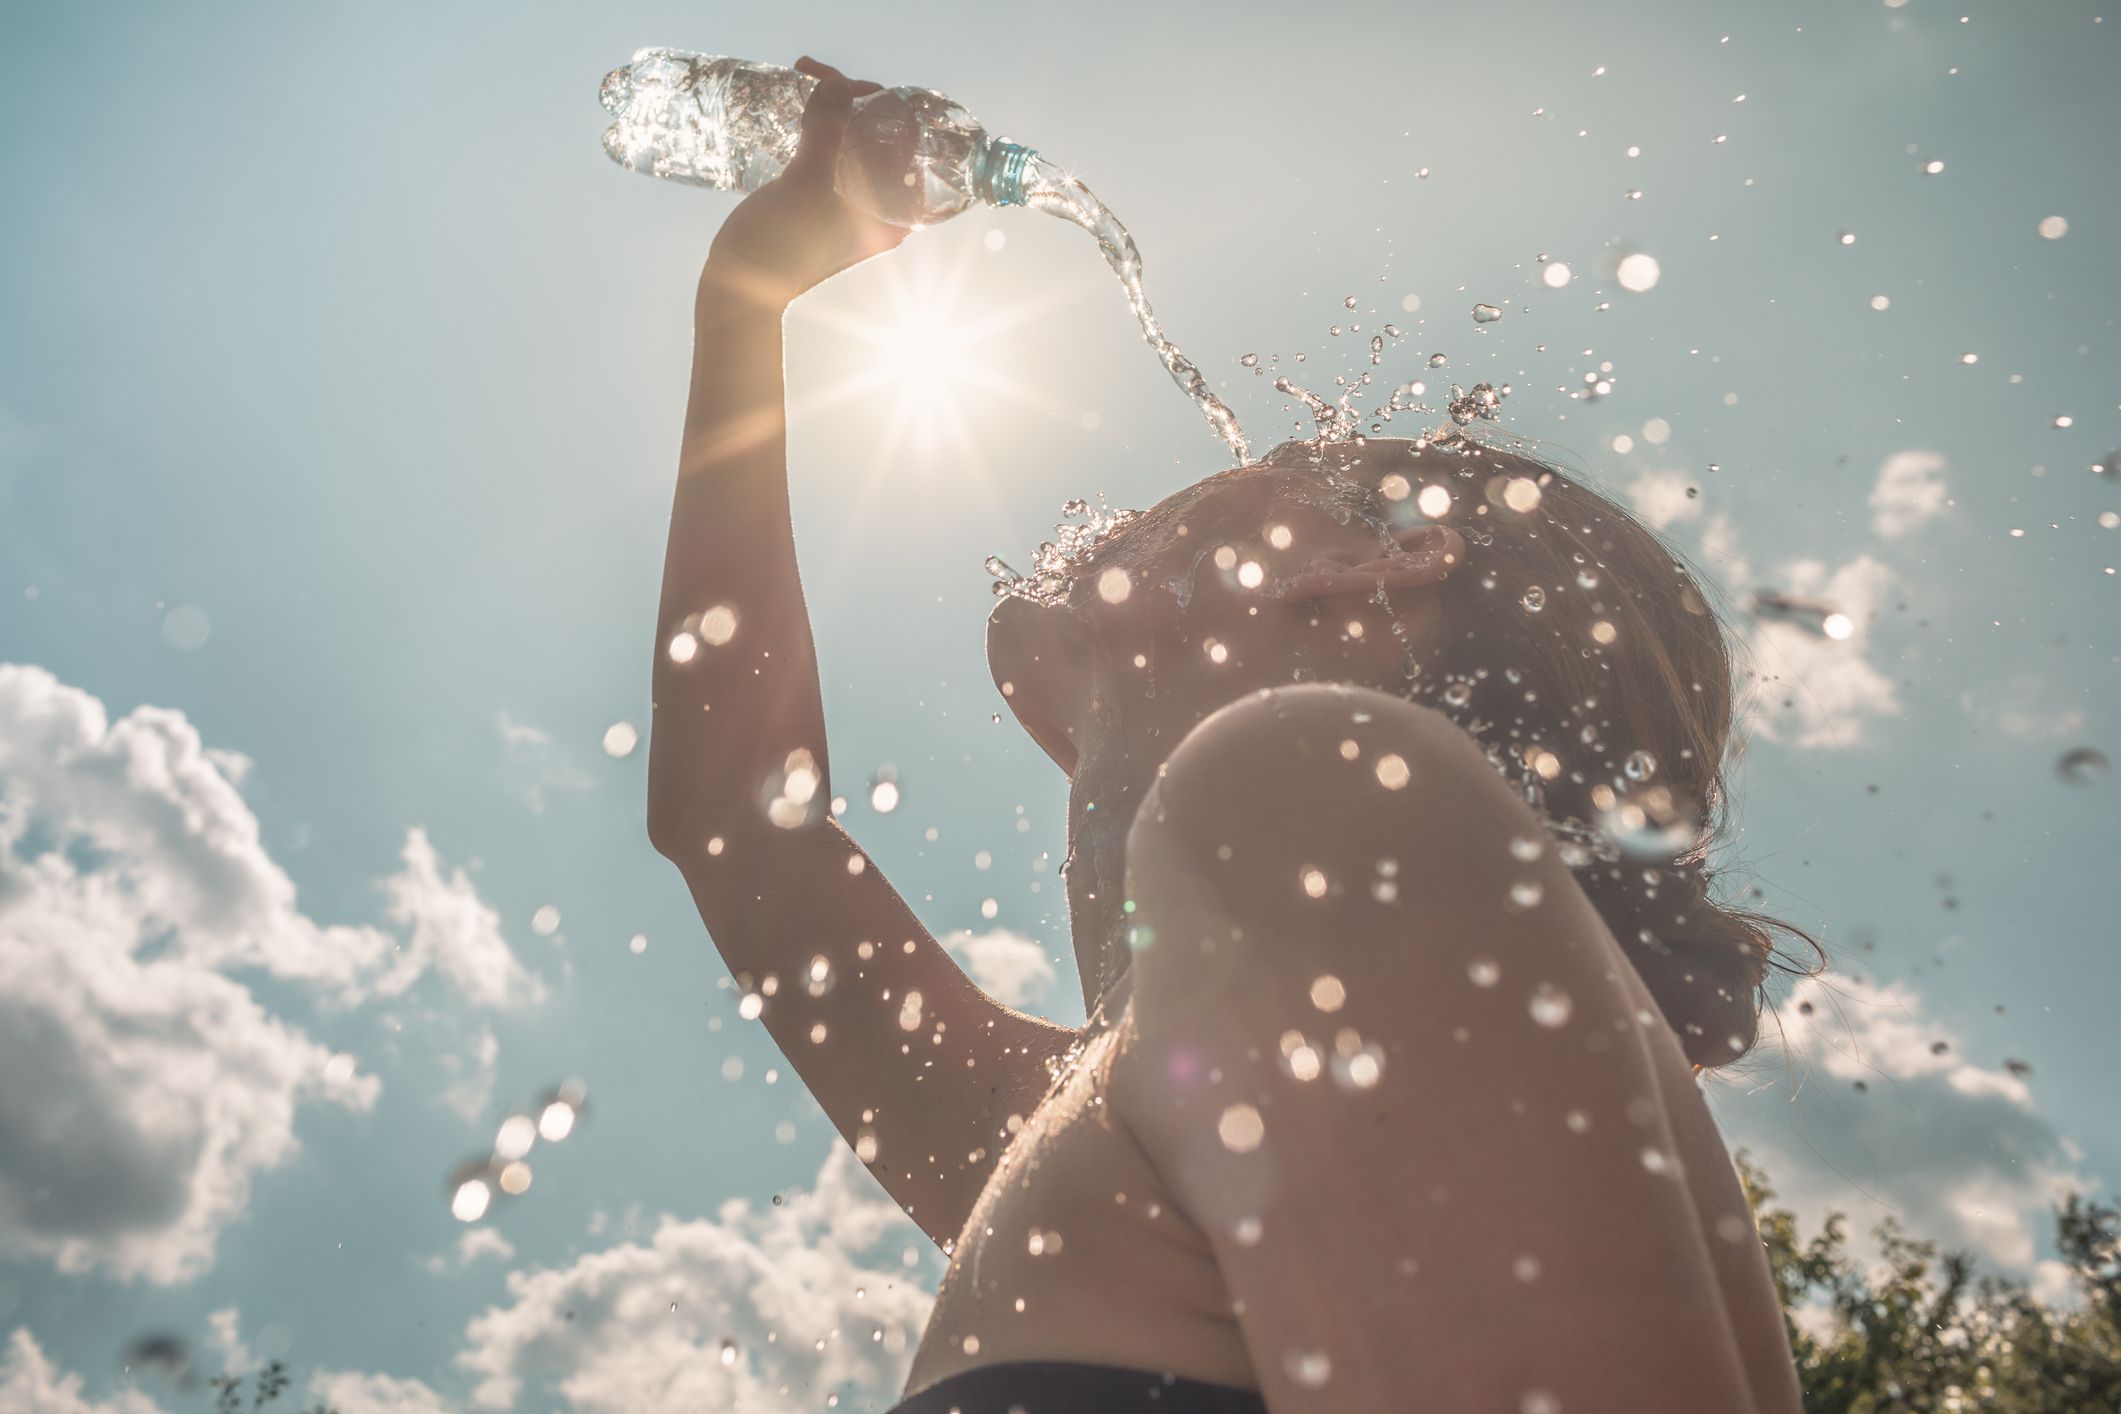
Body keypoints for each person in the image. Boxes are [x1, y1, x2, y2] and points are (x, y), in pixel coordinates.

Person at [646, 56, 1812, 1414]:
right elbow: (730, 815)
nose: (1194, 477)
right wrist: (746, 305)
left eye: (1288, 465)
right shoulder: (1091, 1120)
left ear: (1369, 567)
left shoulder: (1311, 794)